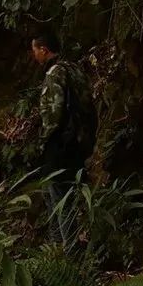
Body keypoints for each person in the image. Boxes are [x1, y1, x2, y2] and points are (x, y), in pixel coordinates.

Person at [31, 30, 96, 247]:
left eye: (35, 50)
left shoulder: (54, 74)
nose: (34, 56)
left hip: (59, 145)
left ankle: (65, 254)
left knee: (58, 199)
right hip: (77, 143)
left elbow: (53, 113)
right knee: (61, 197)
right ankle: (62, 252)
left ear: (44, 49)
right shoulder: (74, 69)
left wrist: (43, 141)